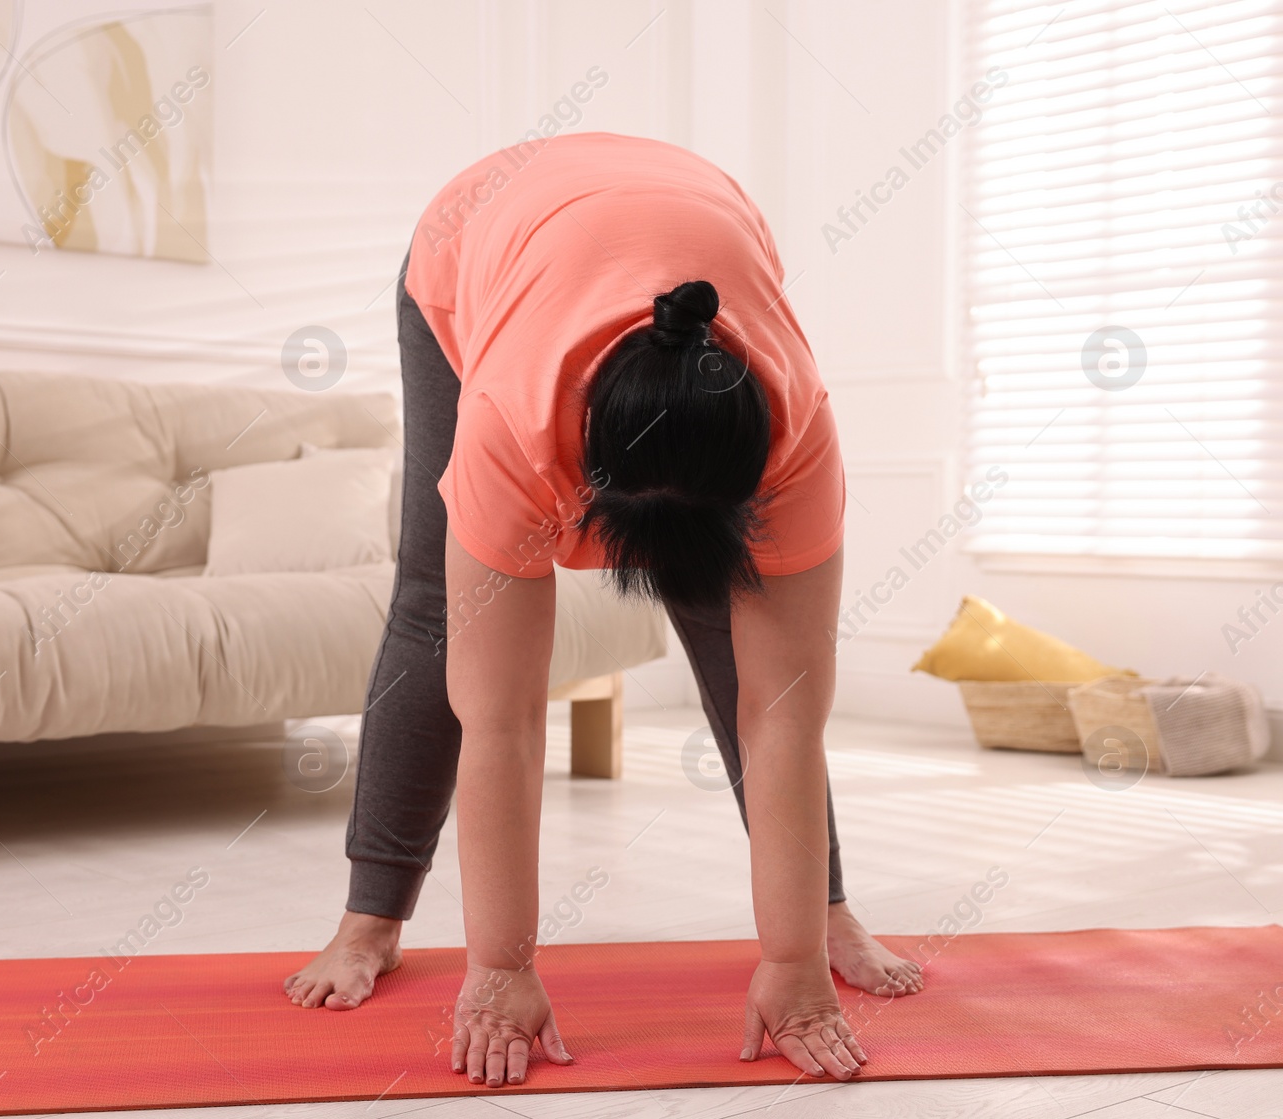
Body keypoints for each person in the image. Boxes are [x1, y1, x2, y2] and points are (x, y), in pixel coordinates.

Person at [284, 132, 923, 1087]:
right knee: (436, 606)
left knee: (738, 635)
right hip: (476, 244)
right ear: (582, 490)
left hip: (689, 216)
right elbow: (499, 721)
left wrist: (790, 968)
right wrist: (500, 968)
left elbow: (783, 710)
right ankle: (368, 920)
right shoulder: (513, 427)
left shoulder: (796, 436)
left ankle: (820, 914)